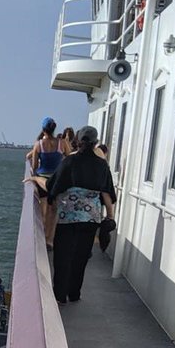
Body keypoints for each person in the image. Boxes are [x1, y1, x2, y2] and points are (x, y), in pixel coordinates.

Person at [46, 125, 116, 304]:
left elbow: (53, 186)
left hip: (68, 217)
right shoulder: (102, 165)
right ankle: (74, 293)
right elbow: (107, 193)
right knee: (81, 257)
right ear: (96, 143)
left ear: (77, 141)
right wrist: (110, 216)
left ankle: (60, 295)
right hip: (91, 218)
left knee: (63, 256)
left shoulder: (69, 162)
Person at [28, 117, 63, 249]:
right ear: (54, 129)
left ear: (43, 129)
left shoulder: (38, 145)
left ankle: (41, 236)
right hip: (56, 180)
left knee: (43, 209)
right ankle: (49, 240)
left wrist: (34, 177)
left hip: (42, 179)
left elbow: (35, 165)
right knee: (53, 210)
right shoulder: (61, 143)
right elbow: (68, 157)